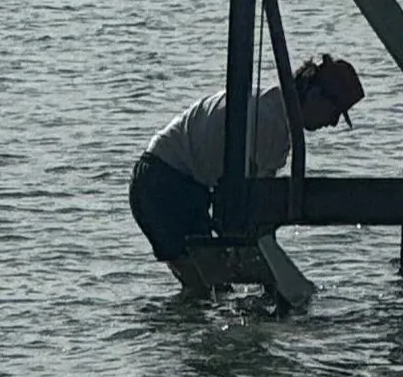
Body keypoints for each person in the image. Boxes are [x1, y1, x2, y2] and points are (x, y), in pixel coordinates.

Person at [132, 52, 364, 287]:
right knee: (209, 287)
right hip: (165, 185)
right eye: (335, 112)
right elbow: (249, 209)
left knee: (208, 291)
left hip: (170, 179)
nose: (333, 123)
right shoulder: (270, 124)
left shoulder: (271, 107)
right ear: (315, 95)